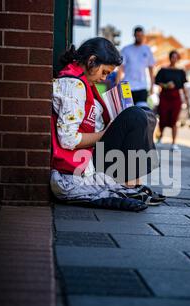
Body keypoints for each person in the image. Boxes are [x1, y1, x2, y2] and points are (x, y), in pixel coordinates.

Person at [50, 37, 165, 211]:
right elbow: (67, 139)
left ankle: (134, 183)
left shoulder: (82, 81)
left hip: (93, 155)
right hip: (80, 164)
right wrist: (108, 131)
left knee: (147, 115)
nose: (104, 78)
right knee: (134, 116)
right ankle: (129, 185)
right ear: (91, 61)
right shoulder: (73, 85)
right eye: (104, 72)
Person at [155, 50, 189, 150]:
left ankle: (174, 143)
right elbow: (157, 82)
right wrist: (166, 85)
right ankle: (160, 138)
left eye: (176, 57)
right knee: (163, 118)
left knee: (174, 120)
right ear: (170, 58)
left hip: (176, 97)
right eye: (172, 57)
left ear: (177, 59)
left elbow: (183, 86)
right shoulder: (163, 70)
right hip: (165, 96)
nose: (174, 59)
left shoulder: (181, 72)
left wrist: (186, 98)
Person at [116, 26, 155, 105]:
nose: (139, 38)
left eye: (141, 36)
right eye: (137, 36)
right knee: (127, 111)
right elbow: (120, 68)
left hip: (142, 86)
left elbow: (151, 69)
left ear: (143, 36)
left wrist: (152, 86)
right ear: (134, 35)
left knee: (142, 111)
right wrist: (117, 85)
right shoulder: (126, 49)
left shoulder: (147, 49)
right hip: (126, 86)